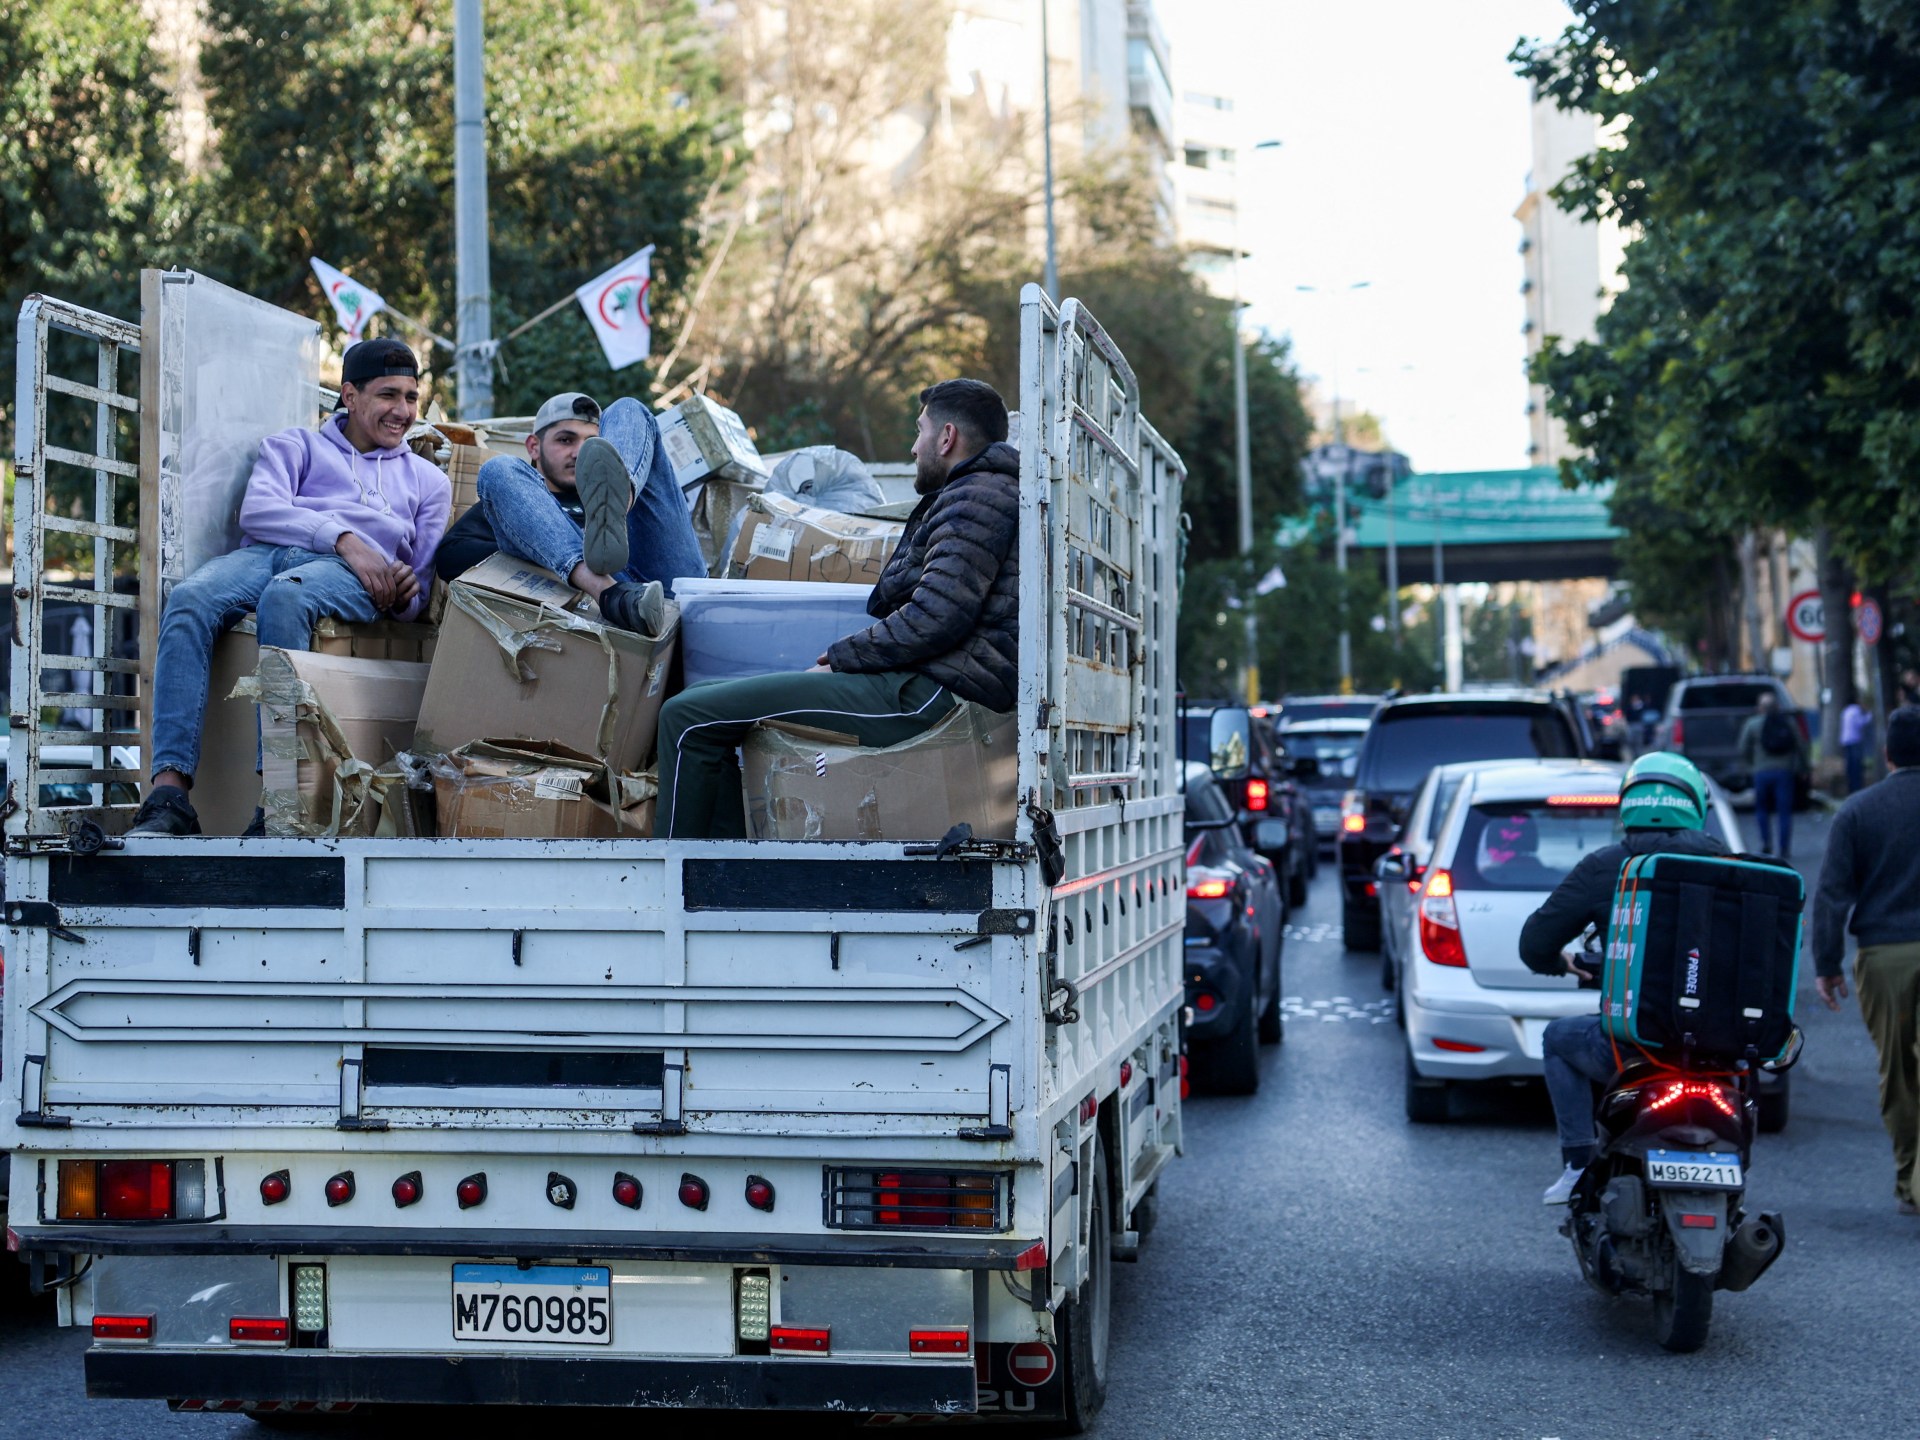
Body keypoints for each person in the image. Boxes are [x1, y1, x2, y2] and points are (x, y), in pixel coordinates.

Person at [654, 378, 1018, 839]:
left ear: (946, 438)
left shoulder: (976, 497)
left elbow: (937, 616)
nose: (913, 447)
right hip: (932, 682)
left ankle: (670, 889)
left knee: (686, 718)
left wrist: (838, 660)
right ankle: (722, 881)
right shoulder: (983, 494)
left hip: (930, 695)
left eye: (919, 431)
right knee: (710, 714)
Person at [129, 338, 452, 837]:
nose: (403, 411)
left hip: (351, 578)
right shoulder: (295, 445)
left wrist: (404, 588)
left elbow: (416, 591)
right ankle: (170, 796)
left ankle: (277, 803)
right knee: (190, 599)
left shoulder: (429, 481)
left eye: (411, 397)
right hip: (271, 553)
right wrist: (344, 538)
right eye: (389, 395)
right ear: (349, 394)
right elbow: (259, 510)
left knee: (287, 595)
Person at [1518, 754, 1729, 1204]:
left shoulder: (1605, 867)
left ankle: (1578, 1164)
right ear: (1695, 805)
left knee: (1558, 1038)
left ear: (1627, 805)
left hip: (1634, 1046)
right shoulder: (1735, 868)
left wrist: (1564, 962)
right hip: (1723, 1048)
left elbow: (1534, 944)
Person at [435, 391, 705, 631]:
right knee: (498, 469)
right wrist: (543, 550)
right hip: (607, 598)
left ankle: (619, 500)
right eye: (566, 440)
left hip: (668, 587)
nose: (579, 452)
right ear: (533, 446)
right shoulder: (518, 499)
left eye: (591, 442)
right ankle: (608, 591)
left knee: (629, 408)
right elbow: (450, 557)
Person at [1811, 704, 1920, 1217]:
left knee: (1898, 1071)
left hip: (1884, 957)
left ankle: (1909, 1179)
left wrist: (1828, 964)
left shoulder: (1857, 810)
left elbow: (1832, 896)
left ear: (1887, 755)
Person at [1738, 691, 1806, 857]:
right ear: (1777, 706)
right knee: (1784, 811)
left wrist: (1751, 766)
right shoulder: (1787, 722)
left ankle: (1766, 843)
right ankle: (1784, 847)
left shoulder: (1752, 724)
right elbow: (1801, 745)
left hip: (1761, 773)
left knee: (1762, 809)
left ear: (1759, 708)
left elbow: (1742, 747)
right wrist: (1803, 768)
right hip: (1784, 772)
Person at [1840, 697, 1871, 795]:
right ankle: (1857, 787)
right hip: (1855, 740)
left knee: (1849, 765)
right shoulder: (1856, 710)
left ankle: (1850, 788)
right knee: (1856, 765)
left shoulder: (1845, 711)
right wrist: (1869, 716)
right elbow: (1860, 723)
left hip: (1845, 740)